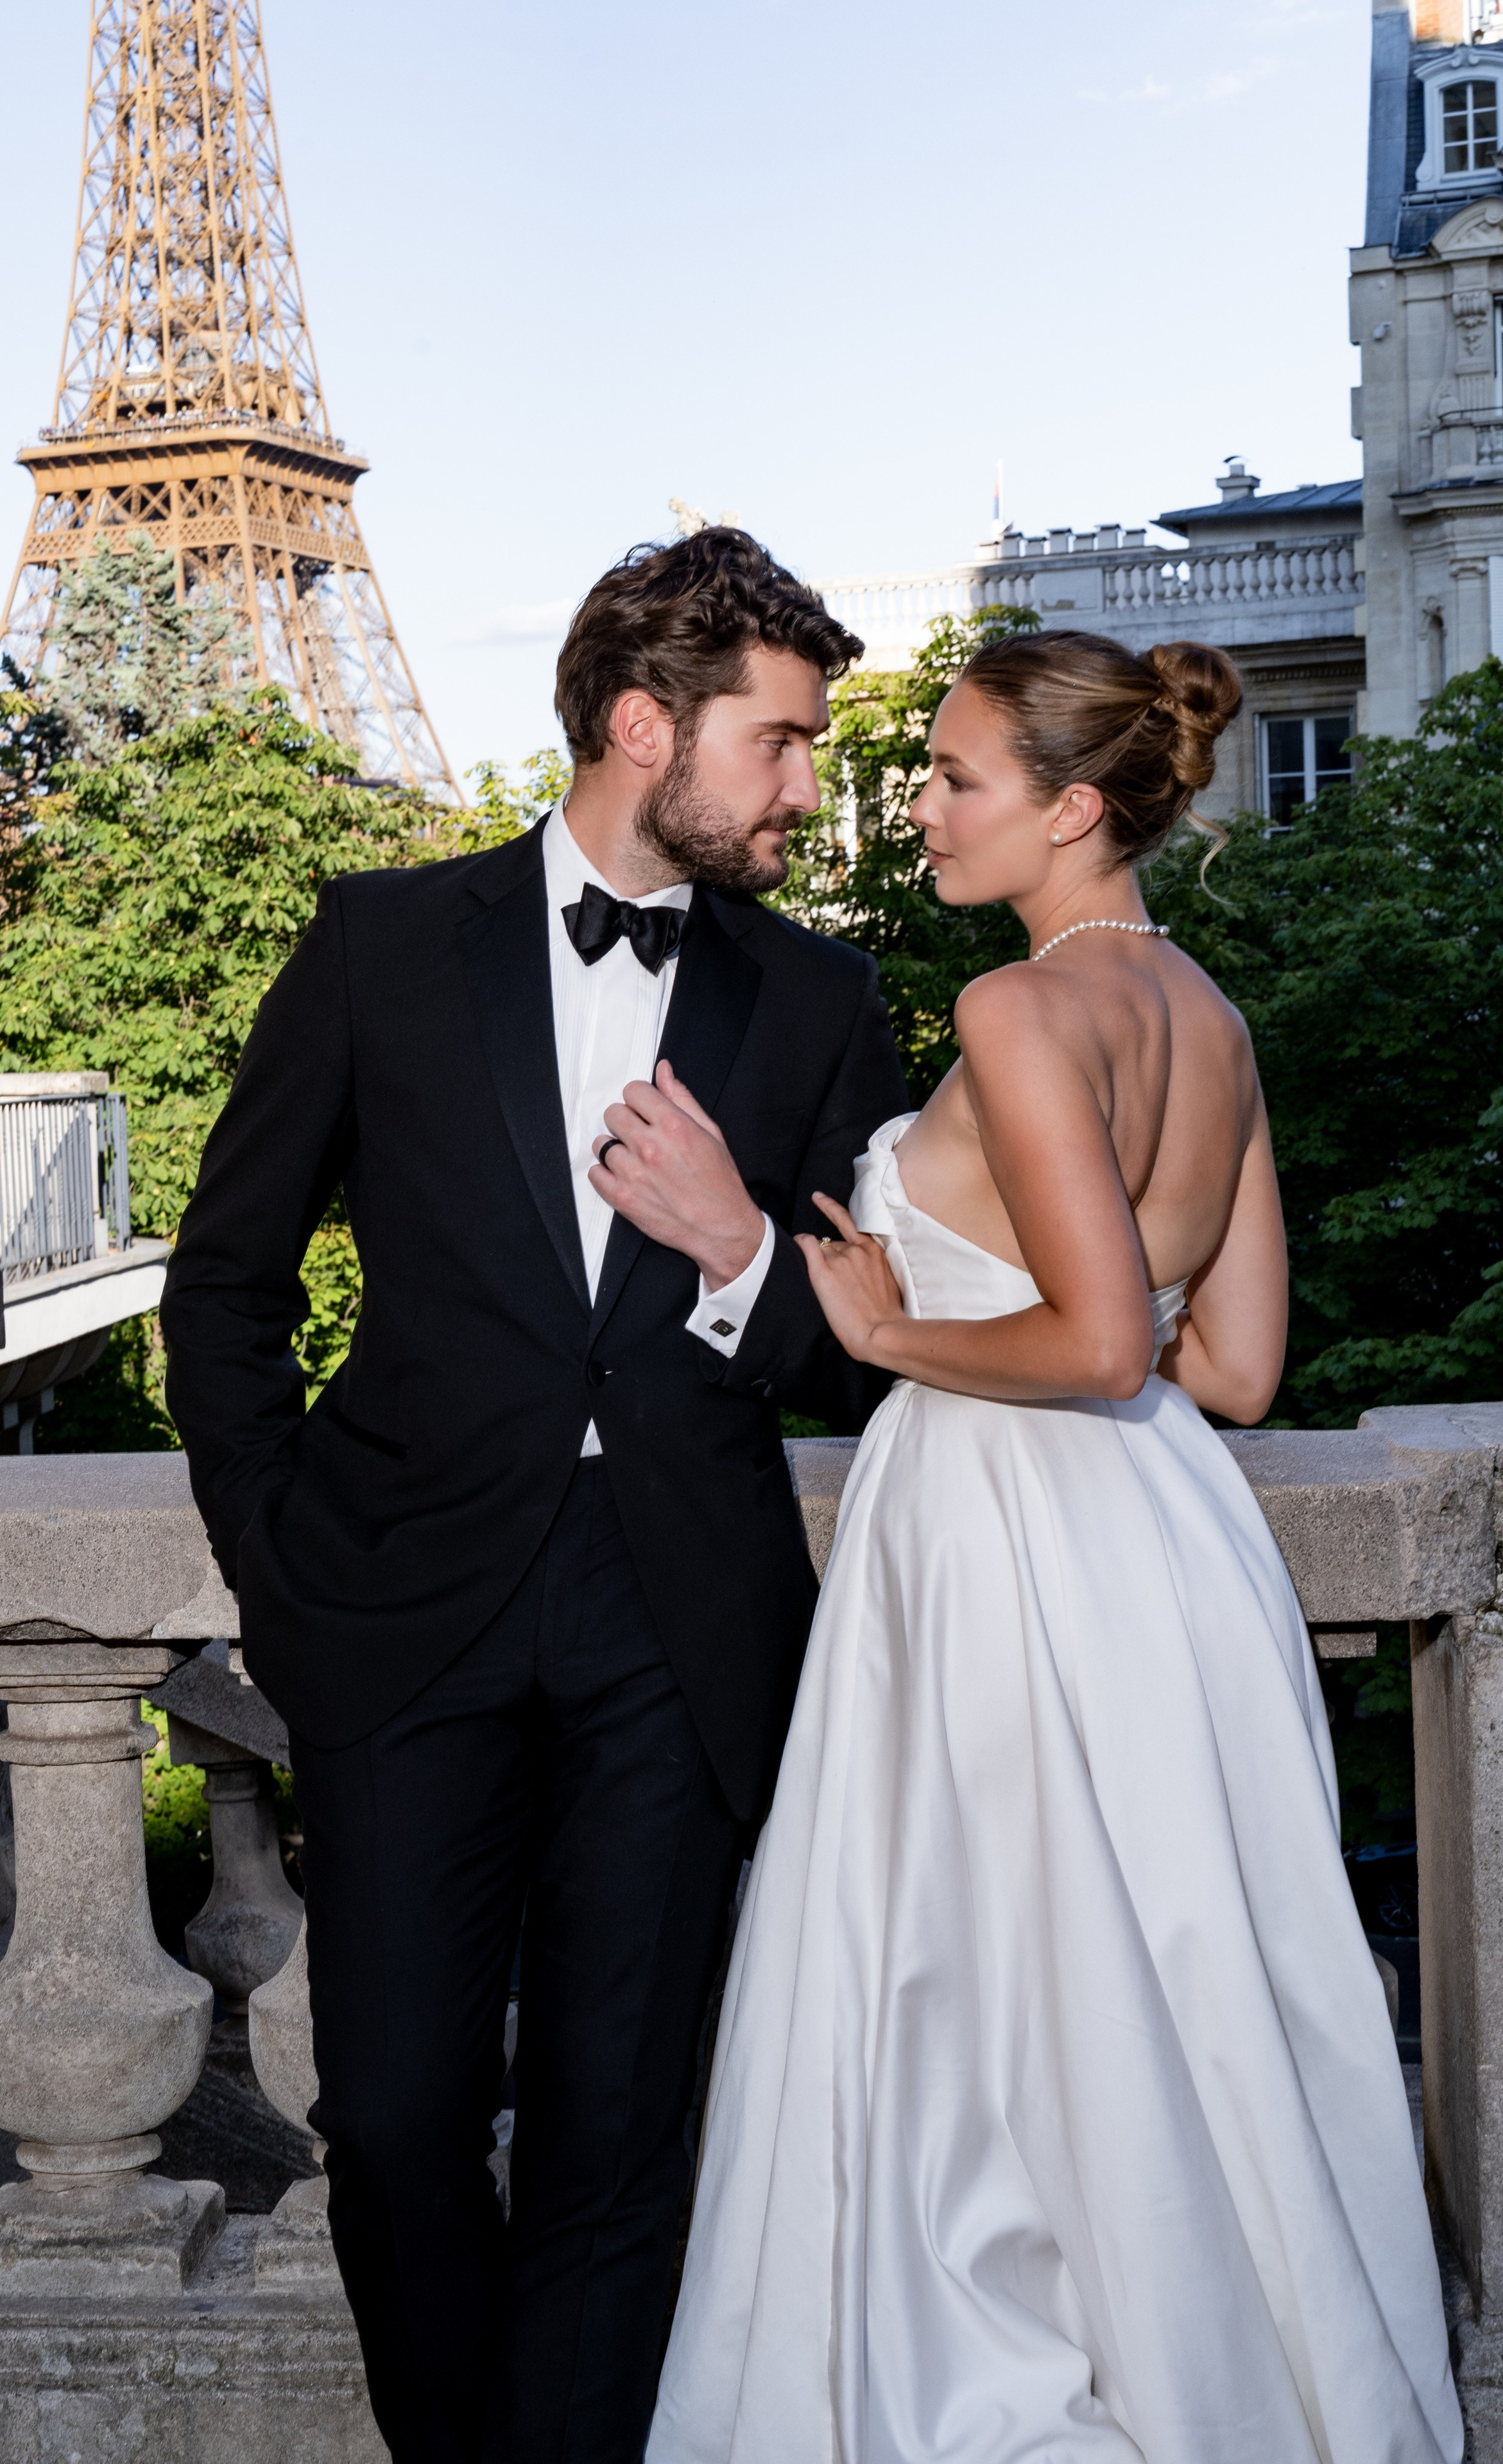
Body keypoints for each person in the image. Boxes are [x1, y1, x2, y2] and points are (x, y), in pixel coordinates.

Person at [646, 630, 1463, 2464]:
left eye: (954, 779)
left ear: (1074, 806)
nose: (919, 808)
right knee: (1164, 1987)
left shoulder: (1021, 1014)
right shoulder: (1213, 1017)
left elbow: (1093, 1345)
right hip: (1165, 1542)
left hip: (1005, 1534)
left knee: (985, 1990)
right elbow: (1230, 1368)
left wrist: (874, 1329)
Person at [159, 527, 909, 2464]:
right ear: (644, 726)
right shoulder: (383, 943)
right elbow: (224, 1285)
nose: (810, 787)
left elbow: (867, 1353)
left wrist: (742, 1250)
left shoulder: (820, 1004)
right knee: (395, 2114)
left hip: (681, 1625)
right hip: (405, 1614)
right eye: (784, 743)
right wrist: (279, 1564)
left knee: (616, 2131)